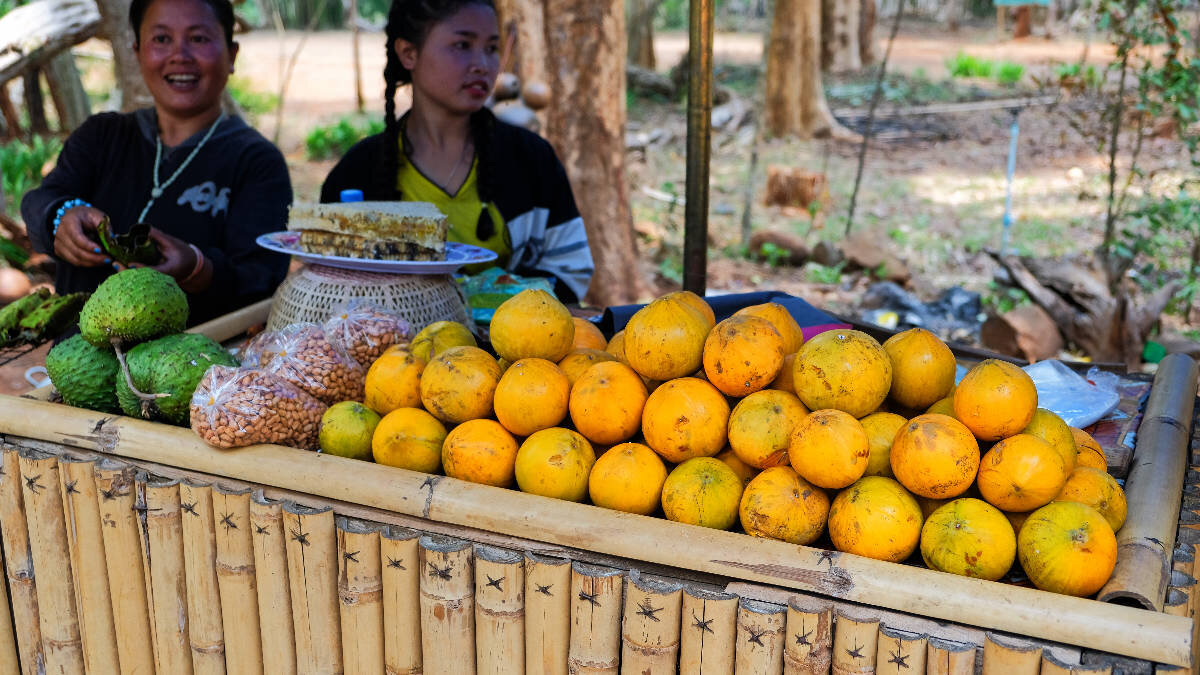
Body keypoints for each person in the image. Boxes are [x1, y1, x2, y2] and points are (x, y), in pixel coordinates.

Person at [21, 0, 291, 326]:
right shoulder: (101, 136)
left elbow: (261, 278)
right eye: (161, 39)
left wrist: (197, 267)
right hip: (77, 362)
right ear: (137, 54)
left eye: (199, 38)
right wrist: (60, 217)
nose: (180, 55)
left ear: (231, 55)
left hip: (189, 367)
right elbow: (40, 200)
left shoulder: (257, 162)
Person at [320, 0, 593, 303]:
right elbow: (331, 290)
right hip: (392, 351)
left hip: (514, 347)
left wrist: (487, 304)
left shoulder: (531, 159)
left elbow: (571, 271)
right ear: (409, 53)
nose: (483, 65)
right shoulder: (357, 173)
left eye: (491, 48)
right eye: (462, 45)